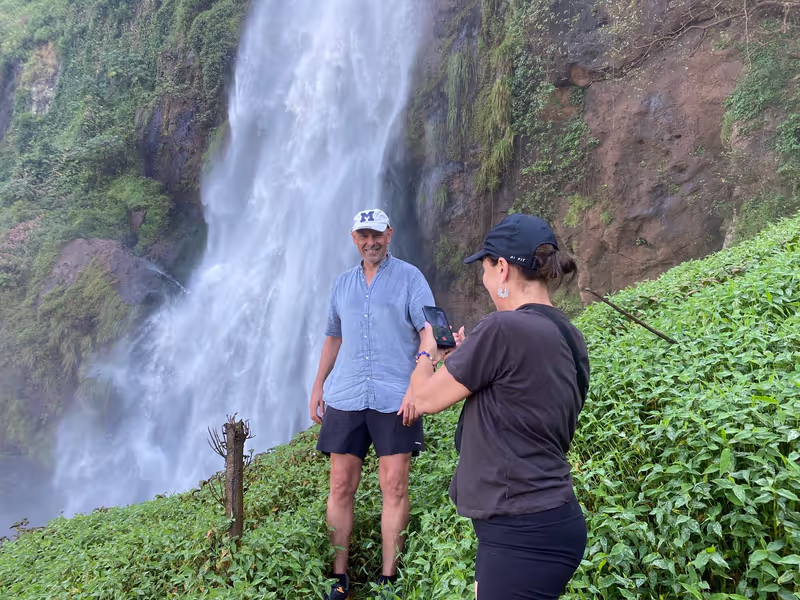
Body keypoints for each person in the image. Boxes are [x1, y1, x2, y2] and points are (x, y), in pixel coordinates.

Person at [401, 213, 590, 600]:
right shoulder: (569, 335)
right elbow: (523, 406)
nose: (485, 282)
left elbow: (422, 399)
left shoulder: (502, 329)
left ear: (502, 268)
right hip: (548, 518)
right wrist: (468, 356)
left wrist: (428, 351)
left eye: (485, 270)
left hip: (521, 530)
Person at [311, 208, 435, 600]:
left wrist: (421, 374)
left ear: (389, 234)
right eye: (363, 236)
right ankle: (339, 577)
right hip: (346, 395)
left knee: (394, 485)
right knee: (340, 483)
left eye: (377, 235)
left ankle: (388, 579)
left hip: (396, 396)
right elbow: (333, 337)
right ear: (353, 238)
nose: (371, 242)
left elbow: (430, 330)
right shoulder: (342, 284)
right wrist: (318, 386)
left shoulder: (411, 278)